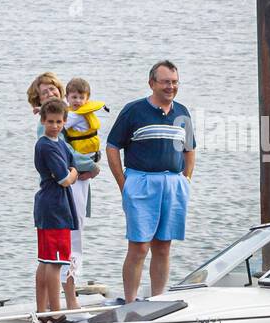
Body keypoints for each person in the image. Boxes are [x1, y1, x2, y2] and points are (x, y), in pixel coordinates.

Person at [106, 60, 196, 303]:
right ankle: (130, 302)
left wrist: (186, 179)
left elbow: (189, 149)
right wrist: (123, 184)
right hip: (141, 182)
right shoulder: (133, 111)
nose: (171, 87)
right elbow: (112, 147)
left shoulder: (182, 112)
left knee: (163, 246)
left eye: (175, 82)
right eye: (165, 82)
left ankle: (157, 299)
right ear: (152, 83)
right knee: (139, 247)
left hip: (173, 183)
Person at [34, 99, 80, 323]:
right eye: (50, 121)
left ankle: (42, 312)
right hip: (54, 207)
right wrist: (72, 174)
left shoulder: (60, 143)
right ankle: (54, 312)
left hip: (53, 206)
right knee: (54, 262)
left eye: (59, 121)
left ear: (64, 122)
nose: (54, 125)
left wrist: (72, 171)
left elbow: (72, 165)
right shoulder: (46, 145)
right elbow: (64, 178)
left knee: (46, 260)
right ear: (42, 120)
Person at [59, 77, 104, 305]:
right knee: (74, 231)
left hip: (84, 175)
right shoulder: (72, 115)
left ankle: (70, 285)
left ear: (87, 98)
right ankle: (69, 287)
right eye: (73, 97)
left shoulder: (81, 114)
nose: (76, 101)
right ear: (66, 97)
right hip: (77, 177)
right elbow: (59, 125)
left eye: (80, 97)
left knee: (78, 227)